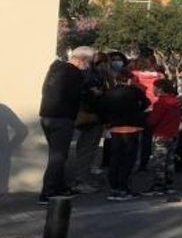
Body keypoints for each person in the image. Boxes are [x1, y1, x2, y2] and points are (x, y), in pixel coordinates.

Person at [37, 46, 95, 204]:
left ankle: (59, 186)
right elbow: (76, 95)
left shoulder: (56, 68)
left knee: (57, 153)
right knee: (58, 156)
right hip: (62, 117)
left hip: (47, 115)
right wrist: (91, 92)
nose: (89, 65)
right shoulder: (74, 73)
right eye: (89, 61)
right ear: (83, 59)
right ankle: (48, 192)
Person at [100, 69, 149, 201]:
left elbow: (102, 109)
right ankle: (124, 187)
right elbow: (146, 103)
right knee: (129, 159)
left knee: (115, 158)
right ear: (129, 79)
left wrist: (107, 121)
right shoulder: (135, 91)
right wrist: (137, 111)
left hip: (115, 128)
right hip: (132, 127)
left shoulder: (109, 92)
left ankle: (114, 187)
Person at [71, 51, 112, 193]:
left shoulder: (92, 74)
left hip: (90, 115)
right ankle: (80, 181)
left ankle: (83, 178)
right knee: (87, 148)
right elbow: (90, 95)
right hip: (92, 116)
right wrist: (96, 93)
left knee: (87, 148)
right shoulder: (93, 76)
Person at [143, 79, 181, 196]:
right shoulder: (176, 101)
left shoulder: (161, 103)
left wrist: (146, 117)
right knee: (169, 161)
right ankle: (169, 184)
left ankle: (158, 186)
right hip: (173, 134)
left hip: (161, 134)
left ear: (160, 89)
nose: (153, 90)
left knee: (159, 162)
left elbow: (152, 120)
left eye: (154, 88)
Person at [129, 57, 162, 172]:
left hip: (139, 108)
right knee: (148, 137)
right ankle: (144, 162)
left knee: (134, 136)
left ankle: (132, 161)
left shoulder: (134, 75)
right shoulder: (159, 76)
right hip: (155, 107)